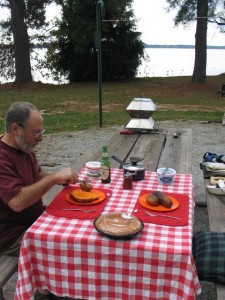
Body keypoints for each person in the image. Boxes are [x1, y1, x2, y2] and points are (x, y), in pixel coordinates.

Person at [0, 101, 78, 299]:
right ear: (15, 129)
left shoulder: (23, 148)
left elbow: (37, 174)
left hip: (34, 221)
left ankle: (54, 290)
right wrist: (53, 178)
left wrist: (59, 177)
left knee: (76, 230)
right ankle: (48, 292)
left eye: (41, 131)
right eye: (36, 133)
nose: (41, 138)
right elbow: (17, 201)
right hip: (11, 235)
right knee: (63, 256)